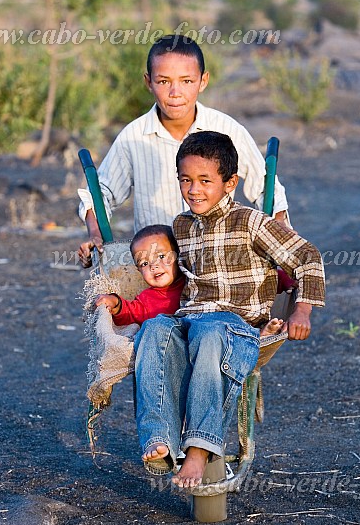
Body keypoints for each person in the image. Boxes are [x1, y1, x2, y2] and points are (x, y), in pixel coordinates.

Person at [134, 131, 325, 489]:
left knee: (211, 331)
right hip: (190, 321)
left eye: (205, 181)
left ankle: (199, 449)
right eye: (186, 180)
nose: (194, 190)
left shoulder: (250, 222)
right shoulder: (181, 226)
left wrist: (303, 310)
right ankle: (159, 439)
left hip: (235, 327)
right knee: (155, 329)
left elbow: (307, 257)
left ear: (230, 183)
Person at [77, 34, 291, 268]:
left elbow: (265, 186)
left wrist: (278, 225)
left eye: (187, 81)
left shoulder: (226, 129)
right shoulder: (133, 137)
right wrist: (95, 234)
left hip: (216, 260)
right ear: (149, 82)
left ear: (203, 81)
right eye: (163, 81)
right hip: (158, 267)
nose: (175, 92)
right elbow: (101, 192)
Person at [96, 223, 288, 338]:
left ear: (180, 255)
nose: (154, 266)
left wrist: (285, 281)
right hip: (177, 348)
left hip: (214, 334)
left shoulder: (197, 278)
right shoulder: (147, 300)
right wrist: (115, 302)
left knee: (228, 321)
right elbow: (130, 312)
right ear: (138, 270)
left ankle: (257, 335)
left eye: (162, 257)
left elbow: (250, 280)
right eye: (145, 263)